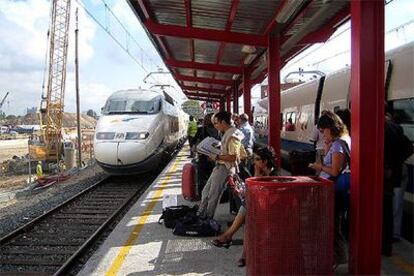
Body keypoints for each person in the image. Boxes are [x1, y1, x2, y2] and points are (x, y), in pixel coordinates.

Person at [211, 147, 279, 267]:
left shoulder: (274, 176)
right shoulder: (263, 171)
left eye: (257, 159)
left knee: (247, 211)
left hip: (272, 210)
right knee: (248, 216)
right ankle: (238, 249)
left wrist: (256, 175)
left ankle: (229, 238)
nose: (254, 162)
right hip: (260, 207)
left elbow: (264, 195)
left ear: (265, 161)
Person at [308, 110, 351, 267]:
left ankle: (339, 259)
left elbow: (334, 170)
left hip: (336, 191)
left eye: (323, 131)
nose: (322, 135)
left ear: (331, 127)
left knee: (334, 225)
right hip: (334, 190)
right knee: (332, 224)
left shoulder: (339, 145)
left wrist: (318, 166)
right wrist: (327, 145)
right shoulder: (336, 143)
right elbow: (329, 162)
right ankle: (337, 258)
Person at [198, 111, 246, 219]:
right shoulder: (227, 133)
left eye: (216, 123)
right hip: (219, 166)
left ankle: (208, 218)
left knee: (213, 194)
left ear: (223, 122)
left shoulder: (233, 135)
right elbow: (238, 153)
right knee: (205, 192)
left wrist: (217, 157)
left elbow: (233, 157)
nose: (215, 126)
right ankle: (201, 213)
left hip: (225, 168)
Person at [382, 111, 413, 256]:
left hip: (384, 175)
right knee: (394, 205)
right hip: (396, 172)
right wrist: (397, 164)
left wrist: (389, 166)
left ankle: (386, 241)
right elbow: (409, 147)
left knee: (387, 207)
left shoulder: (380, 128)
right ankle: (392, 237)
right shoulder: (396, 128)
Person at [193, 113, 221, 192]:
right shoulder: (219, 130)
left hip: (203, 156)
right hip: (216, 156)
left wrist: (197, 149)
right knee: (214, 176)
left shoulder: (200, 130)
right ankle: (215, 192)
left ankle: (202, 193)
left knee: (202, 176)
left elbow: (193, 145)